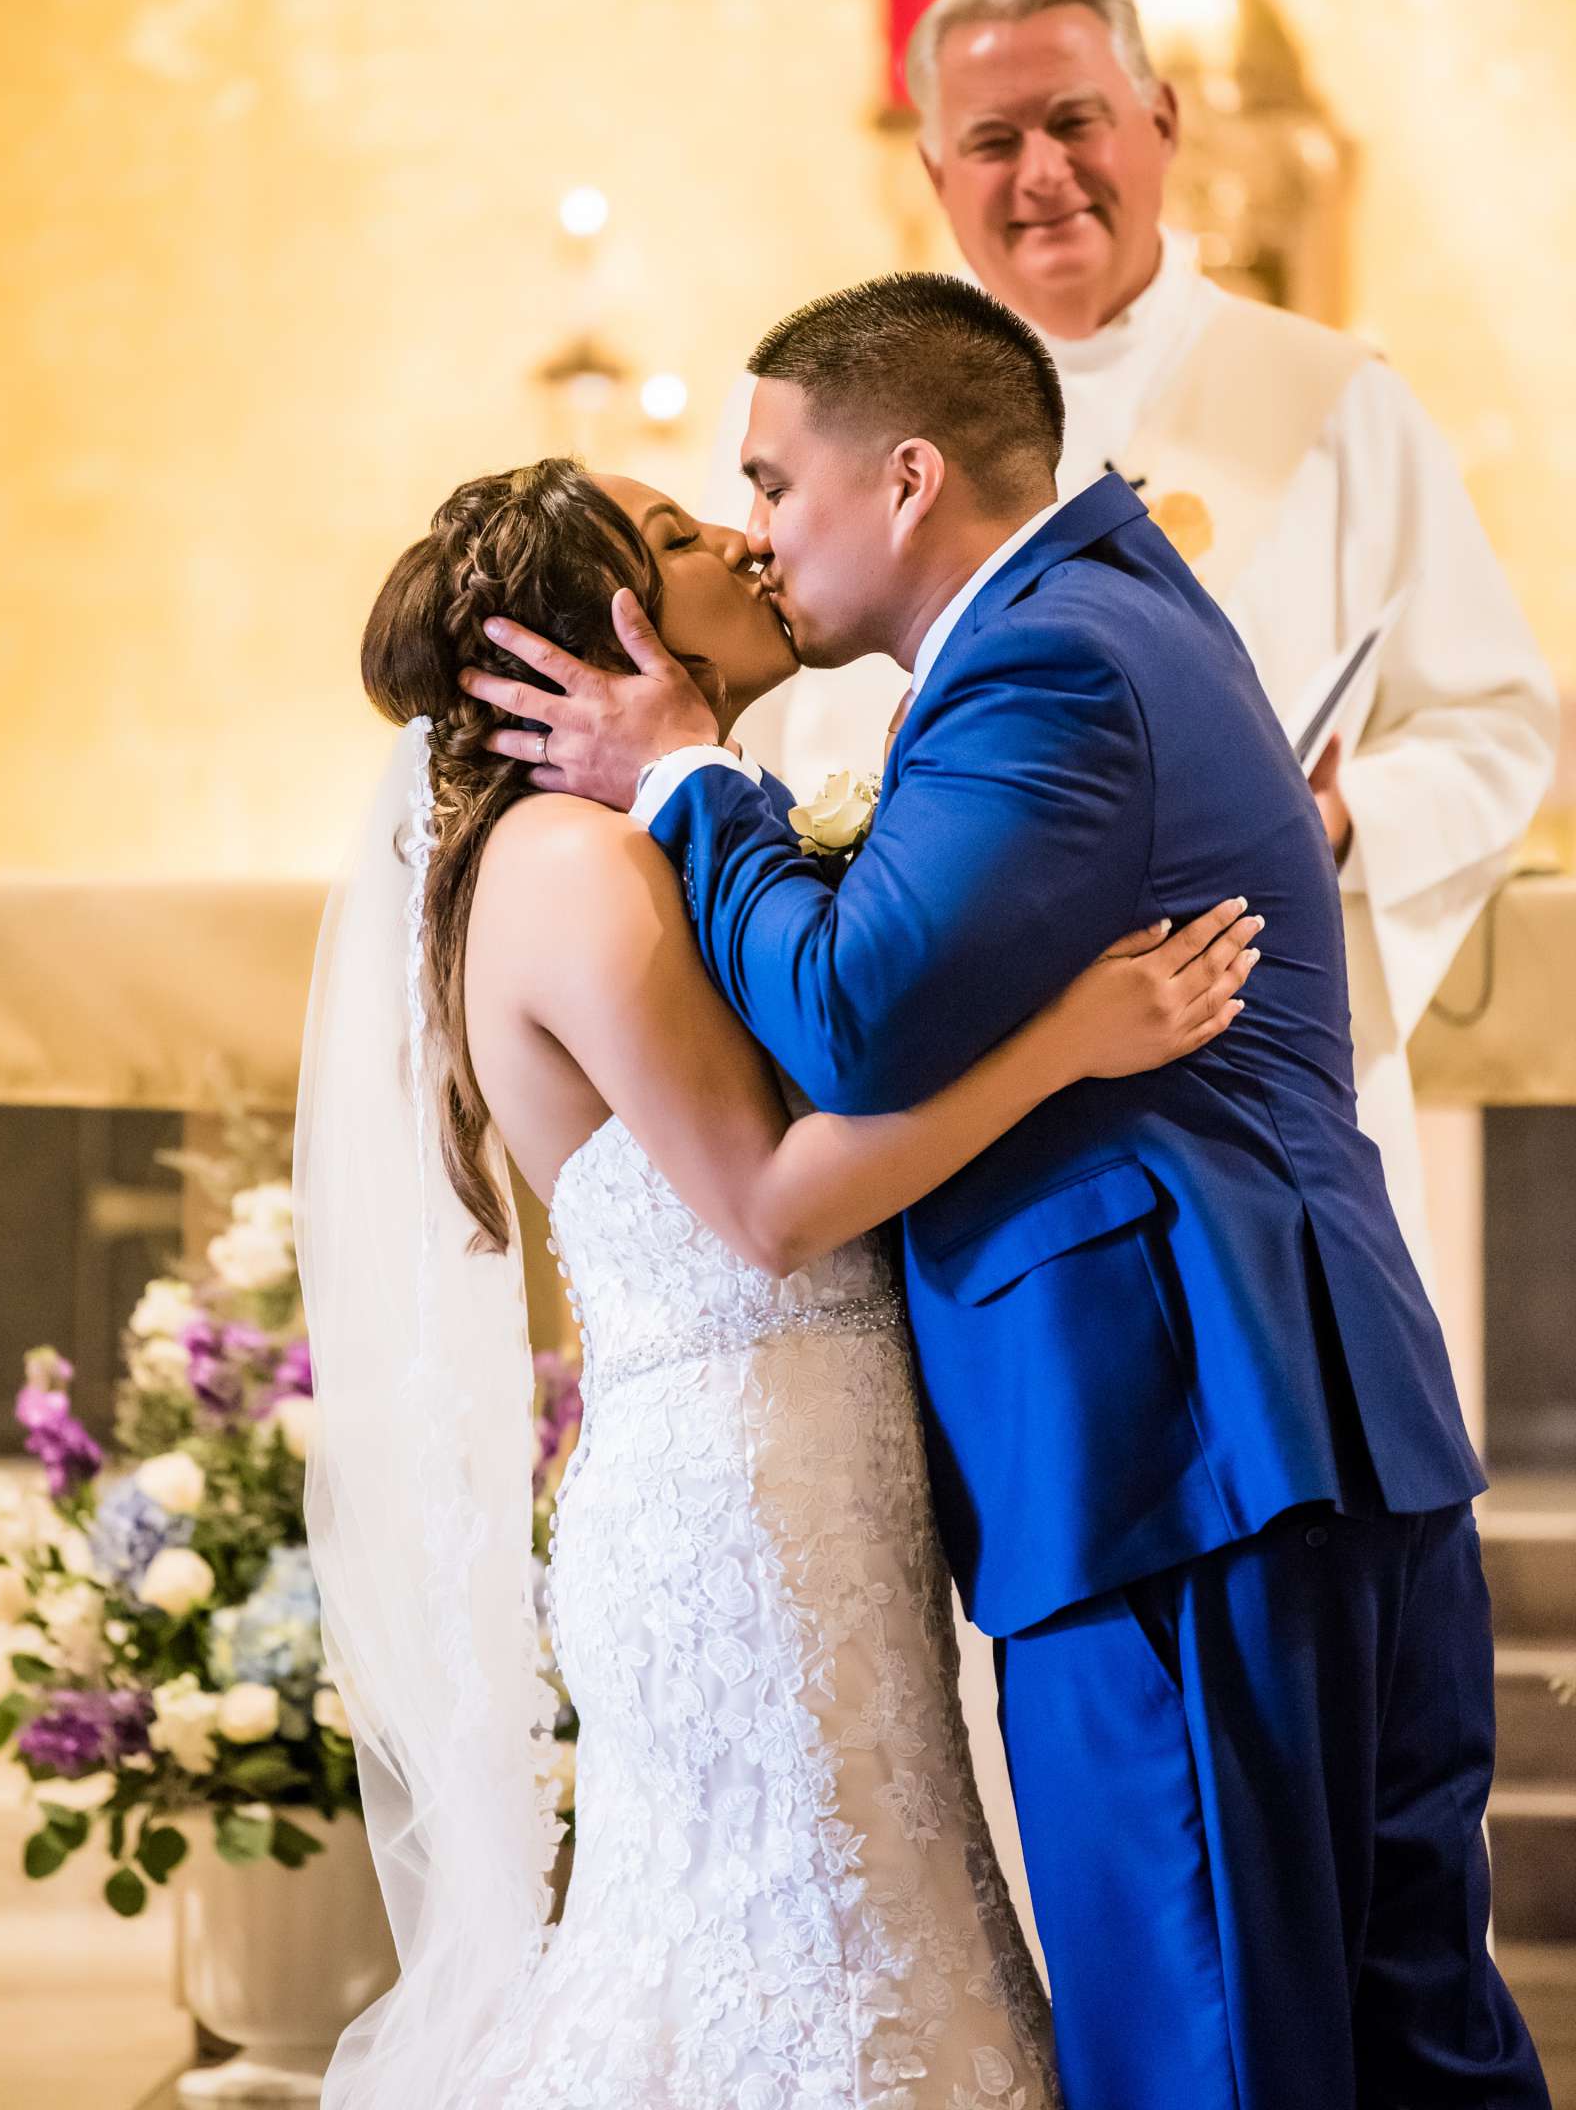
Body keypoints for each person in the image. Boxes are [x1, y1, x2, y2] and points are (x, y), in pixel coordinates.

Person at [467, 274, 1550, 2110]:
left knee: (1215, 2046)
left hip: (1178, 1449)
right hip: (1280, 1434)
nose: (751, 528)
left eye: (767, 480)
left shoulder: (1044, 658)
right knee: (1405, 2027)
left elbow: (854, 1011)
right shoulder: (1116, 618)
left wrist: (685, 779)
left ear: (900, 482)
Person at [297, 452, 1258, 2110]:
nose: (741, 540)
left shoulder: (645, 836)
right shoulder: (571, 869)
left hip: (807, 1478)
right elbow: (764, 1204)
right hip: (740, 1515)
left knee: (869, 1950)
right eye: (673, 537)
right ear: (576, 638)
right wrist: (1069, 1042)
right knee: (795, 1980)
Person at [701, 0, 1557, 1301]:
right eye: (992, 141)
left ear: (1159, 126)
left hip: (1241, 1063)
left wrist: (1337, 820)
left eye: (1074, 121)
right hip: (951, 1081)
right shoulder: (842, 428)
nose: (1041, 173)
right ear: (935, 175)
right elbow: (776, 713)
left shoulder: (1336, 405)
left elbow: (1498, 725)